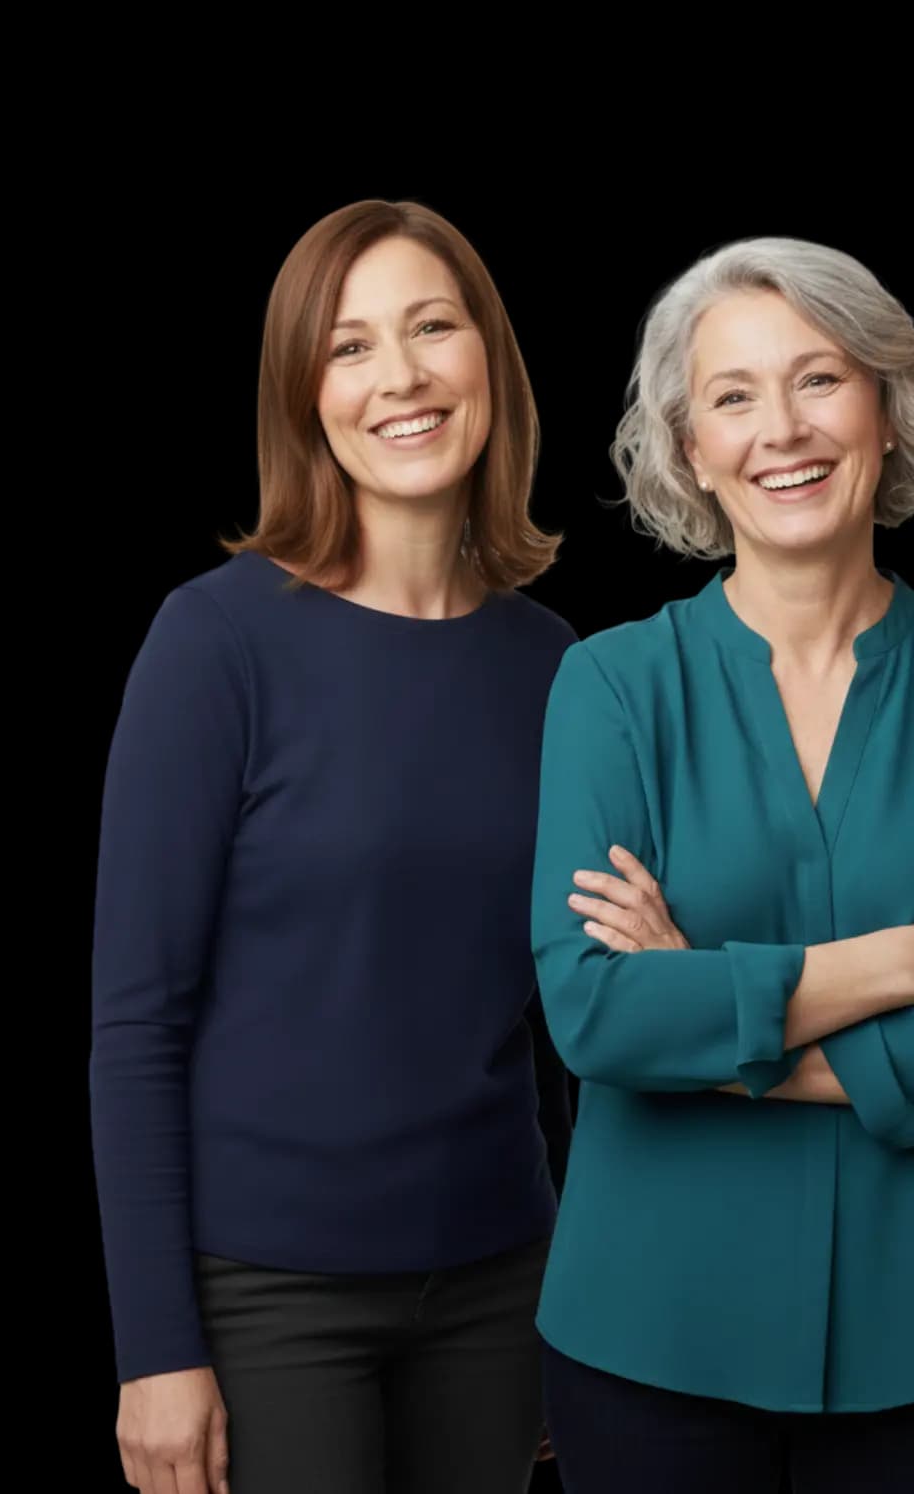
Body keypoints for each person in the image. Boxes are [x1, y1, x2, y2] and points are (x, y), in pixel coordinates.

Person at [529, 237, 914, 1493]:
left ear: (888, 411)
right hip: (650, 1337)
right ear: (692, 449)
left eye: (820, 380)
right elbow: (593, 1010)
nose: (781, 430)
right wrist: (893, 962)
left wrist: (719, 1028)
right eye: (733, 397)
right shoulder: (611, 688)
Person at [91, 199, 571, 1494]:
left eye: (431, 329)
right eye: (350, 347)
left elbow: (563, 1027)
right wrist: (155, 1354)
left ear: (492, 363)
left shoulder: (555, 663)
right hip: (268, 1305)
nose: (400, 377)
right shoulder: (216, 646)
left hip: (498, 1291)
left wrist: (567, 1306)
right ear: (304, 396)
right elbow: (136, 1024)